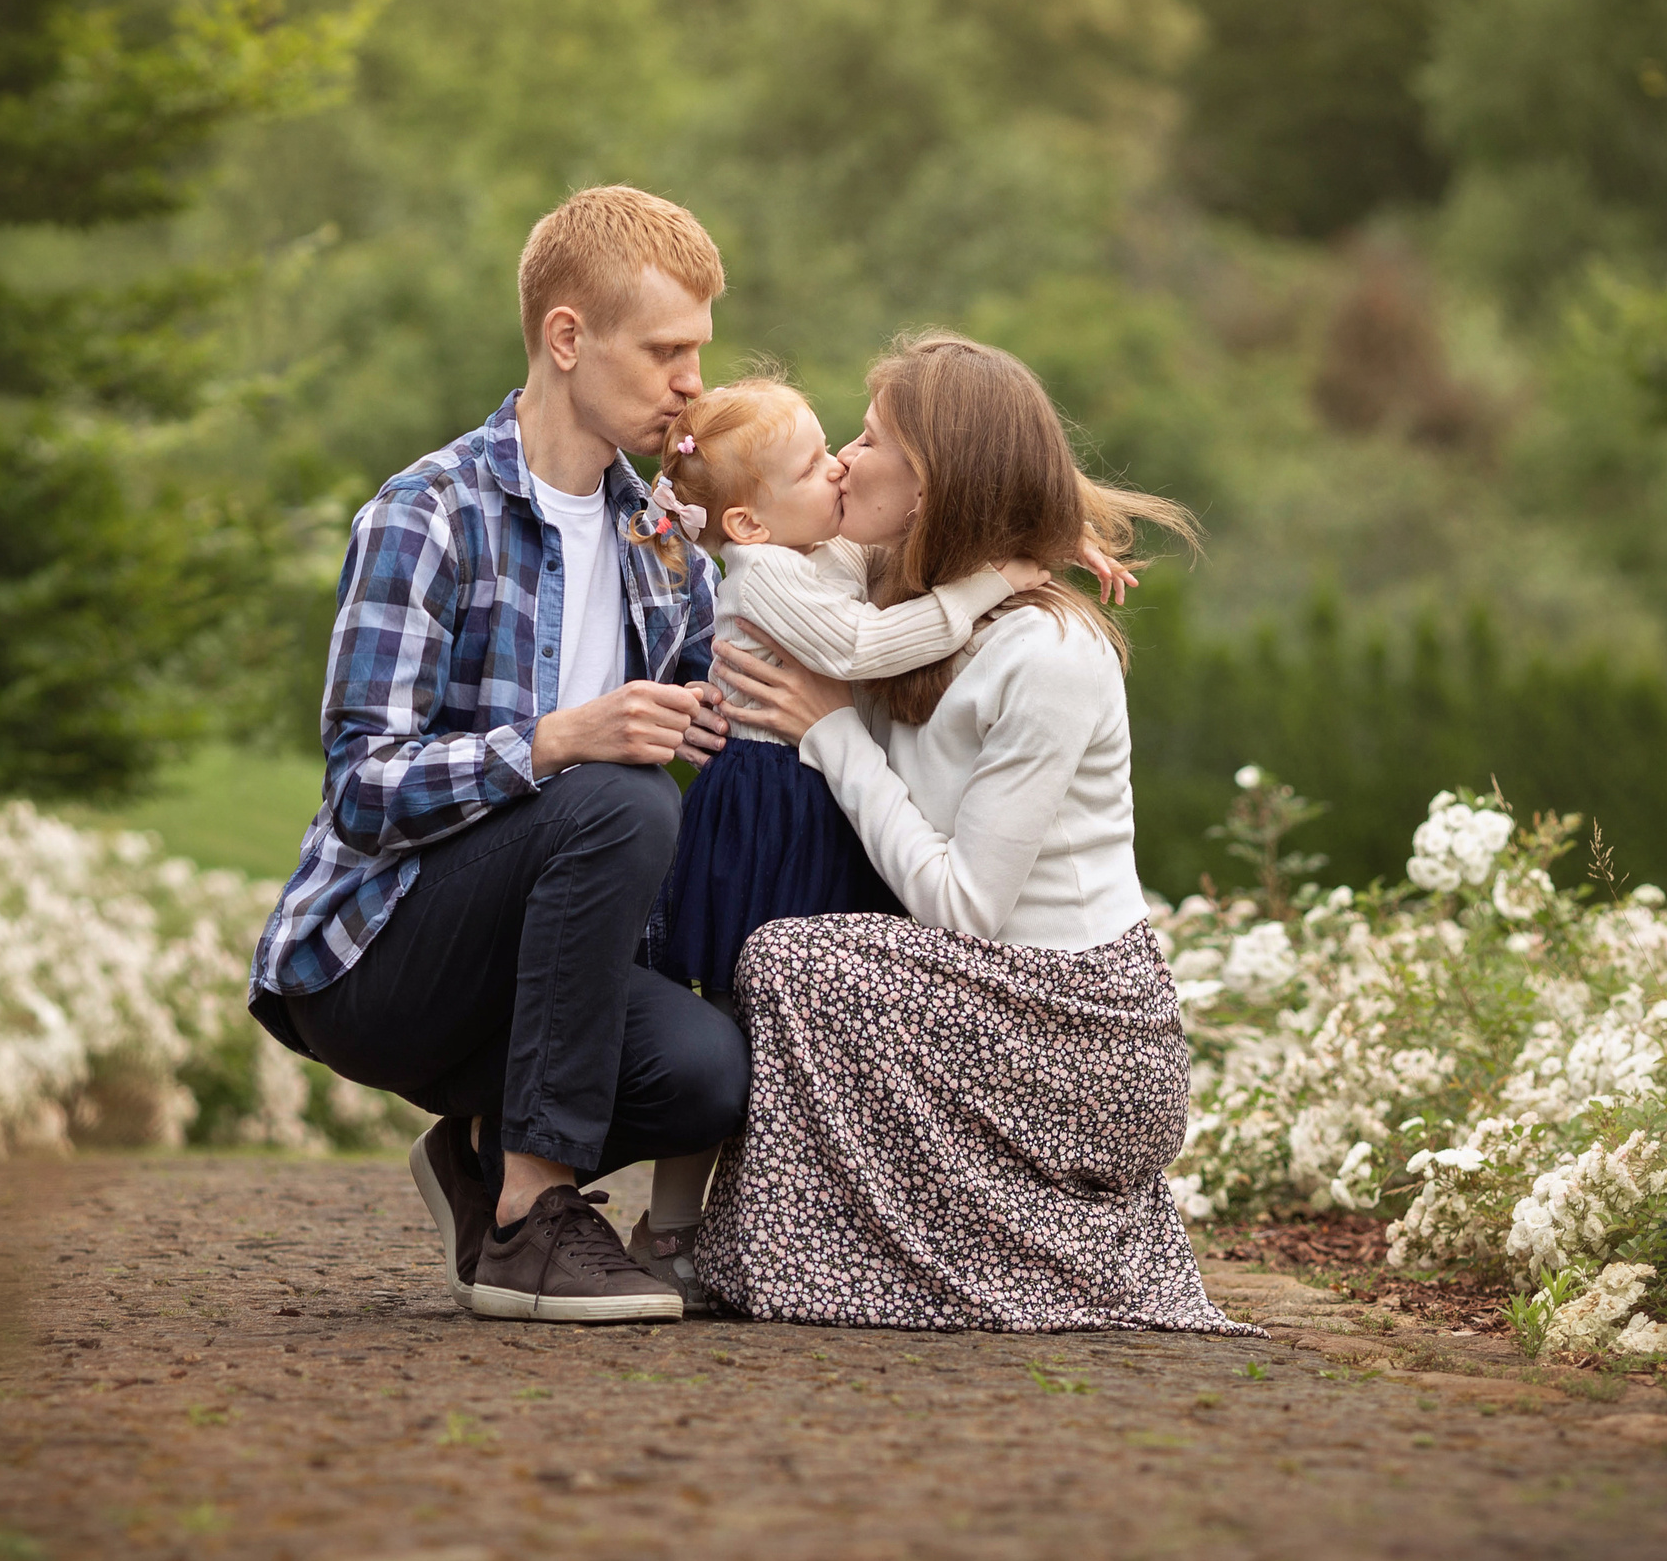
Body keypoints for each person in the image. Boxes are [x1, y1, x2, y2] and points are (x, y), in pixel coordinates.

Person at [696, 331, 1267, 1336]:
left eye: (869, 441)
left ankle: (846, 1260)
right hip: (984, 985)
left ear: (928, 483)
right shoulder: (890, 596)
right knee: (766, 942)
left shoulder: (1046, 655)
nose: (841, 461)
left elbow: (964, 908)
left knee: (793, 960)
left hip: (1076, 1020)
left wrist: (831, 730)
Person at [247, 185, 747, 1324]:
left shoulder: (670, 551)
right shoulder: (426, 513)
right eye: (665, 349)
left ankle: (482, 1149)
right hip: (386, 958)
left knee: (710, 1072)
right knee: (617, 794)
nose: (690, 383)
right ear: (567, 339)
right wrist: (563, 738)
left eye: (697, 353)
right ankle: (530, 1217)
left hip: (547, 971)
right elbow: (361, 790)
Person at [613, 374, 1048, 1305]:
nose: (840, 471)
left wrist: (1042, 534)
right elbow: (861, 650)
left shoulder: (817, 551)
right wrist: (990, 584)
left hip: (823, 797)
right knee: (738, 1011)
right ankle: (671, 1229)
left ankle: (797, 1214)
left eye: (839, 449)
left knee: (808, 1021)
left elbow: (895, 571)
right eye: (814, 464)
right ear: (751, 527)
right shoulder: (768, 576)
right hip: (772, 806)